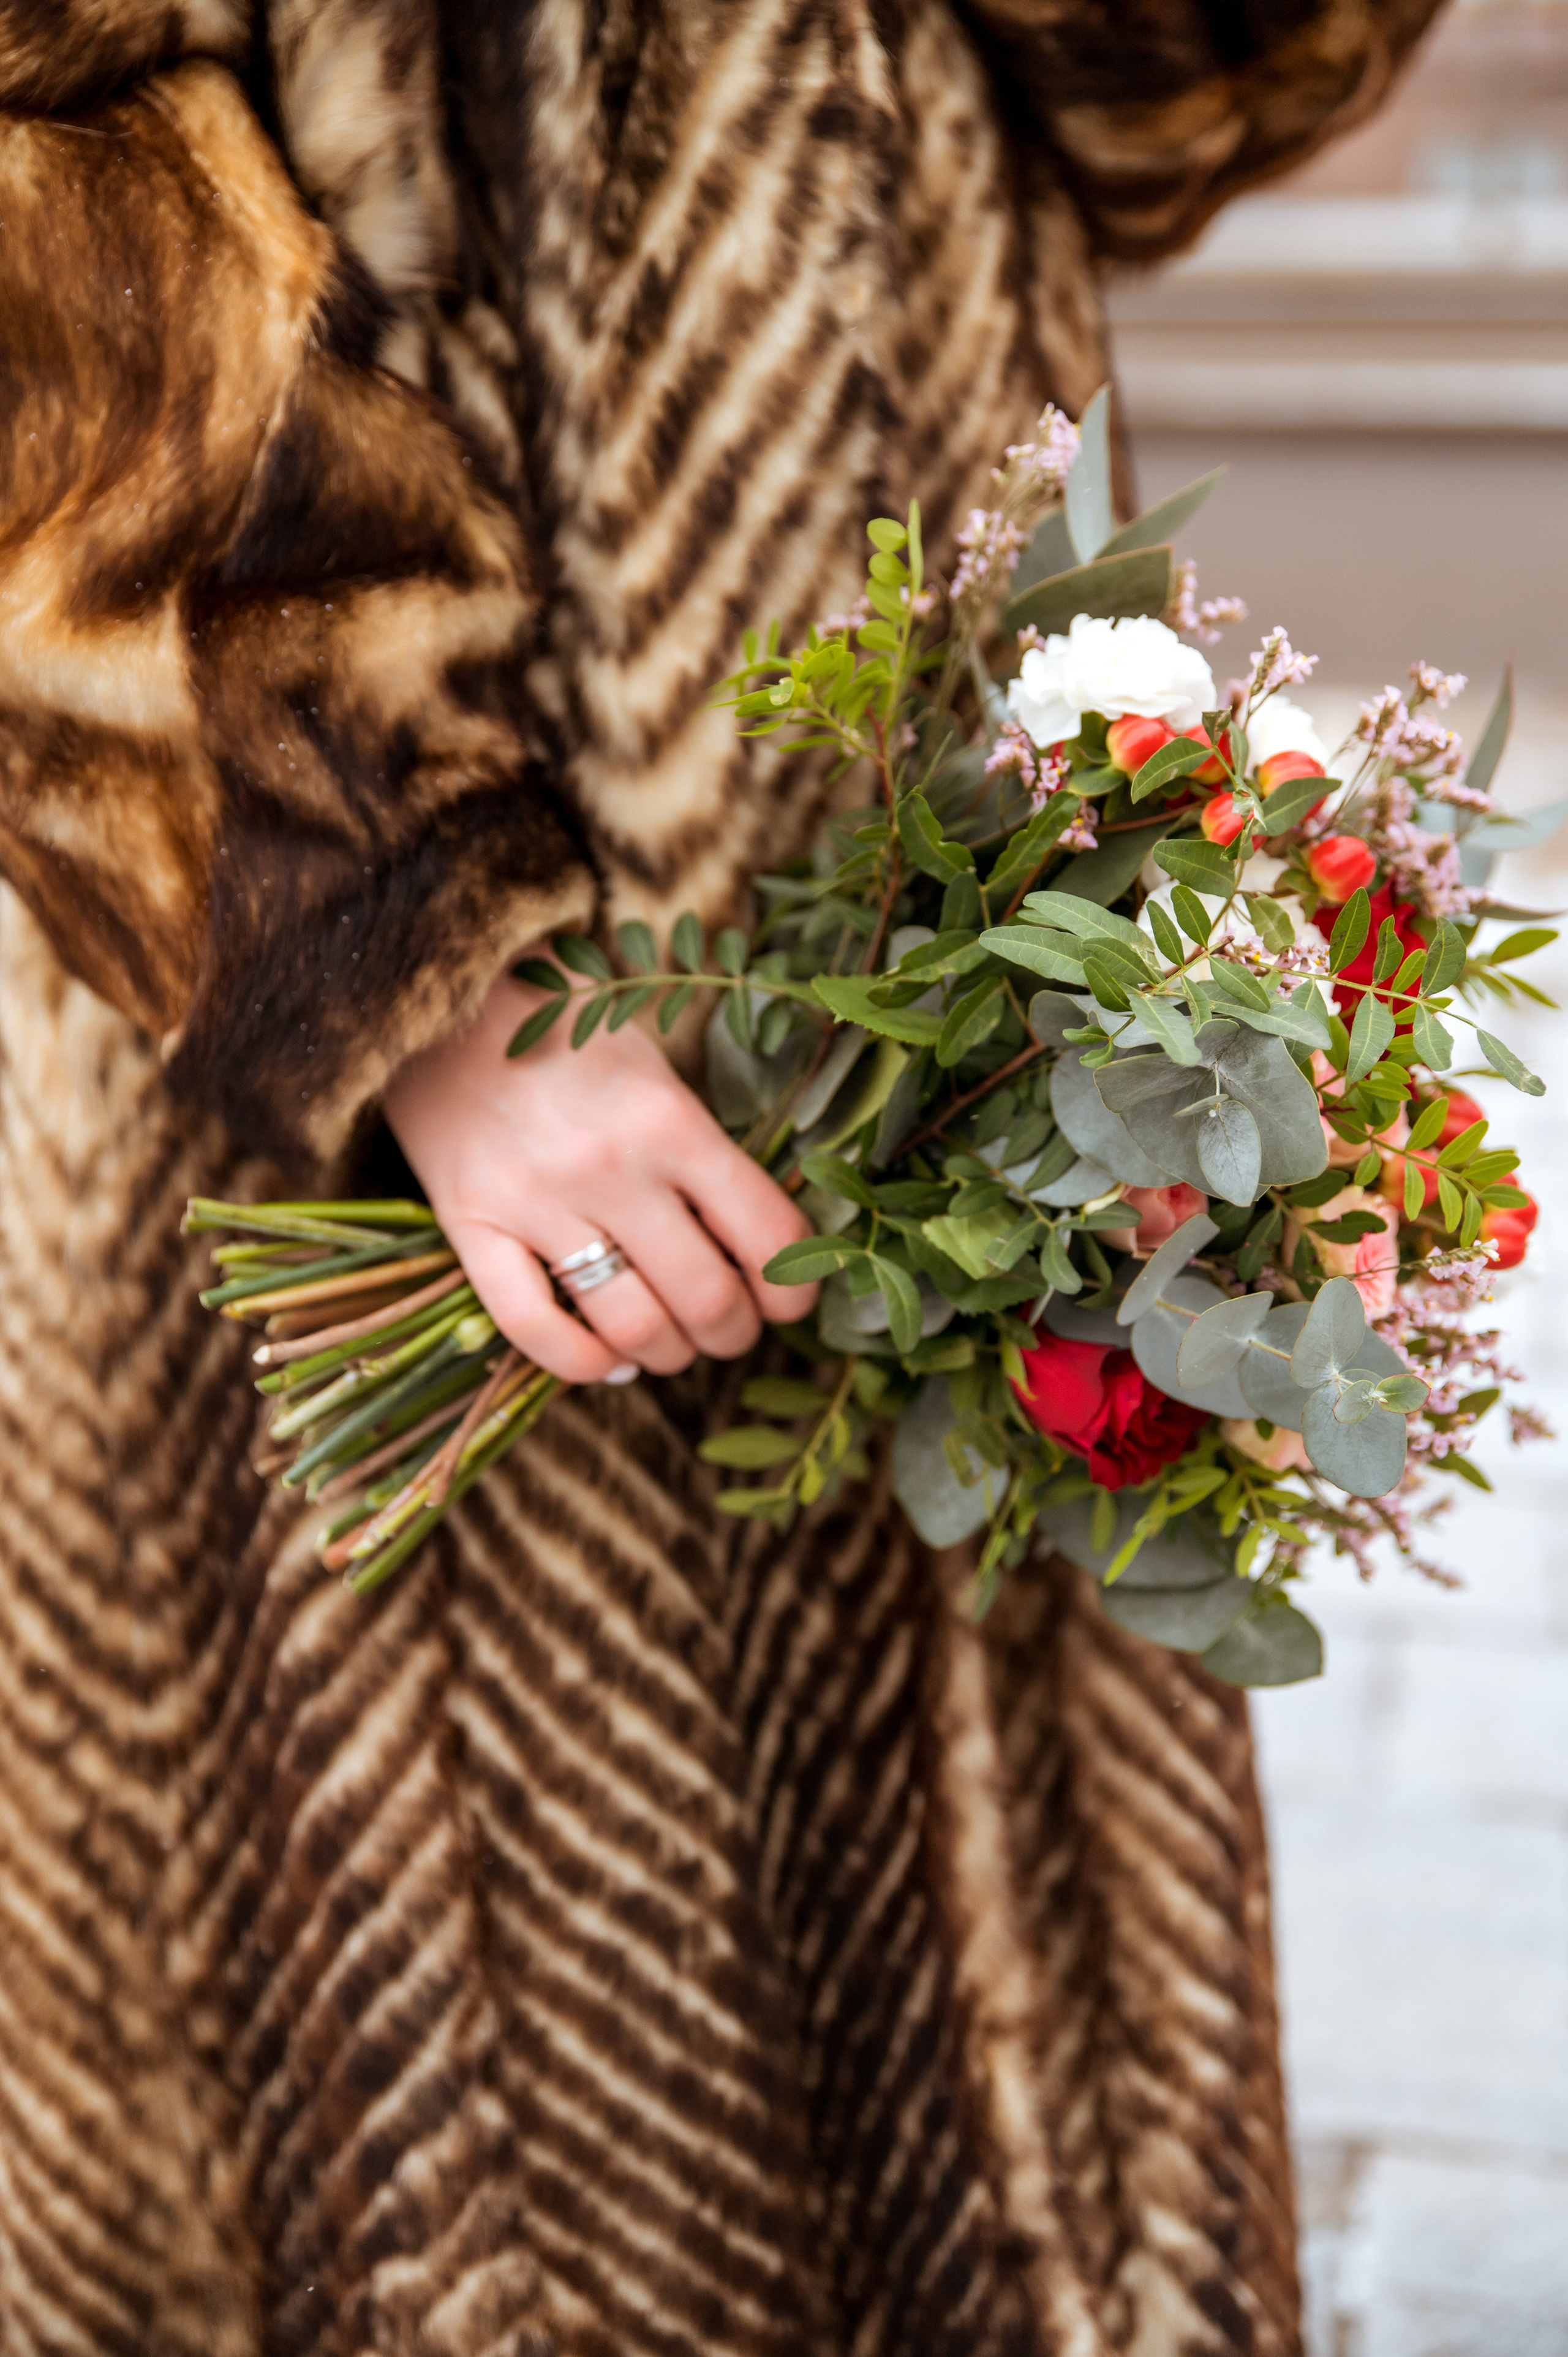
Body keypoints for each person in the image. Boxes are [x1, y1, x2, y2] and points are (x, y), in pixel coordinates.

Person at [0, 4, 1438, 2349]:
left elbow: (1190, 86)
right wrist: (405, 933)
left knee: (1036, 2144)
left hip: (961, 867)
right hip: (393, 1002)